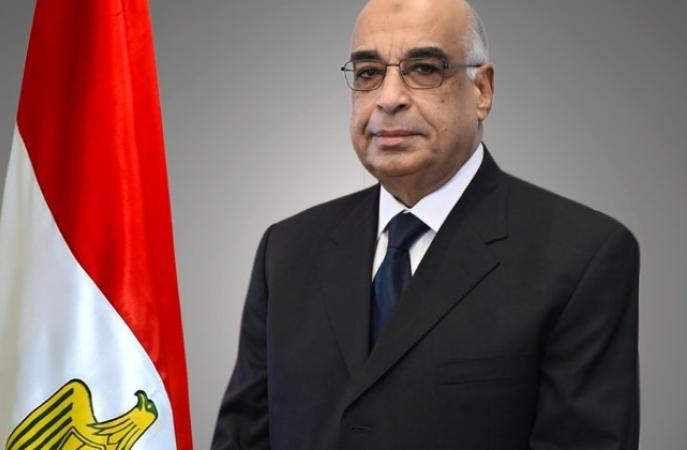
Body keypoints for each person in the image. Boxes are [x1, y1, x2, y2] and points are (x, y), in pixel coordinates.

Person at [211, 0, 640, 448]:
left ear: (482, 91)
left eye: (424, 69)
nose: (388, 98)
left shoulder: (580, 256)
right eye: (368, 73)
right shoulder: (287, 249)